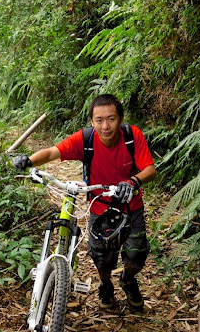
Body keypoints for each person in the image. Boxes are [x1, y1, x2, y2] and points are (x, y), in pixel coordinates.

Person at [12, 94, 156, 311]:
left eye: (111, 119)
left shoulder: (131, 136)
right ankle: (106, 285)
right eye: (99, 120)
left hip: (130, 206)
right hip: (99, 208)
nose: (105, 126)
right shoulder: (87, 139)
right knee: (102, 259)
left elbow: (150, 169)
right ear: (92, 121)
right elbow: (53, 152)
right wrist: (29, 160)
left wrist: (133, 181)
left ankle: (128, 280)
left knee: (136, 256)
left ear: (121, 118)